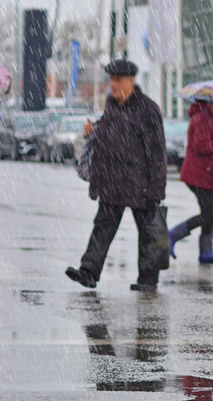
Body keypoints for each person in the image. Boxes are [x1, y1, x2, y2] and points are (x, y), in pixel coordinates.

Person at [65, 59, 167, 291]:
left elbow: (157, 152)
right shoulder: (112, 105)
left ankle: (148, 280)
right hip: (113, 182)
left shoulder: (147, 110)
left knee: (149, 232)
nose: (112, 84)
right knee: (103, 226)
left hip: (139, 183)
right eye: (110, 79)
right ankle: (89, 271)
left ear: (130, 81)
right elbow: (112, 134)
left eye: (117, 80)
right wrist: (94, 130)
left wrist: (156, 187)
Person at [168, 99, 213, 263]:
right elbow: (201, 146)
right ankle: (173, 235)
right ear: (210, 102)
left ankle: (206, 252)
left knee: (210, 211)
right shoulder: (202, 118)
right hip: (199, 174)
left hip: (204, 174)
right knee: (209, 212)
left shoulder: (206, 117)